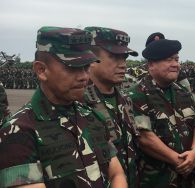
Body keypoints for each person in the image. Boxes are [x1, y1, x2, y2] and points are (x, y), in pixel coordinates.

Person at [0, 26, 127, 188]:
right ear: (41, 70)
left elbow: (116, 173)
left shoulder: (92, 117)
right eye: (73, 67)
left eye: (86, 67)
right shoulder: (19, 132)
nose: (84, 77)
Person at [128, 38, 195, 188]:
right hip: (156, 179)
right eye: (168, 60)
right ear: (151, 65)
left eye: (176, 59)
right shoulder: (136, 95)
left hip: (189, 178)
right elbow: (144, 137)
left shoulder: (183, 93)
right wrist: (178, 160)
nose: (175, 64)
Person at [83, 26, 140, 188]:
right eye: (115, 57)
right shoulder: (78, 101)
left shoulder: (125, 96)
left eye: (124, 57)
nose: (123, 65)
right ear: (92, 58)